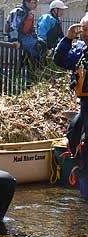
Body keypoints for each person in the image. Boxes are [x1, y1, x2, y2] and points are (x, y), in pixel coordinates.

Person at [53, 13, 88, 198]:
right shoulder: (81, 51)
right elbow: (59, 59)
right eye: (84, 29)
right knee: (75, 134)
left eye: (87, 30)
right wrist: (67, 38)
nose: (85, 33)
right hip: (85, 106)